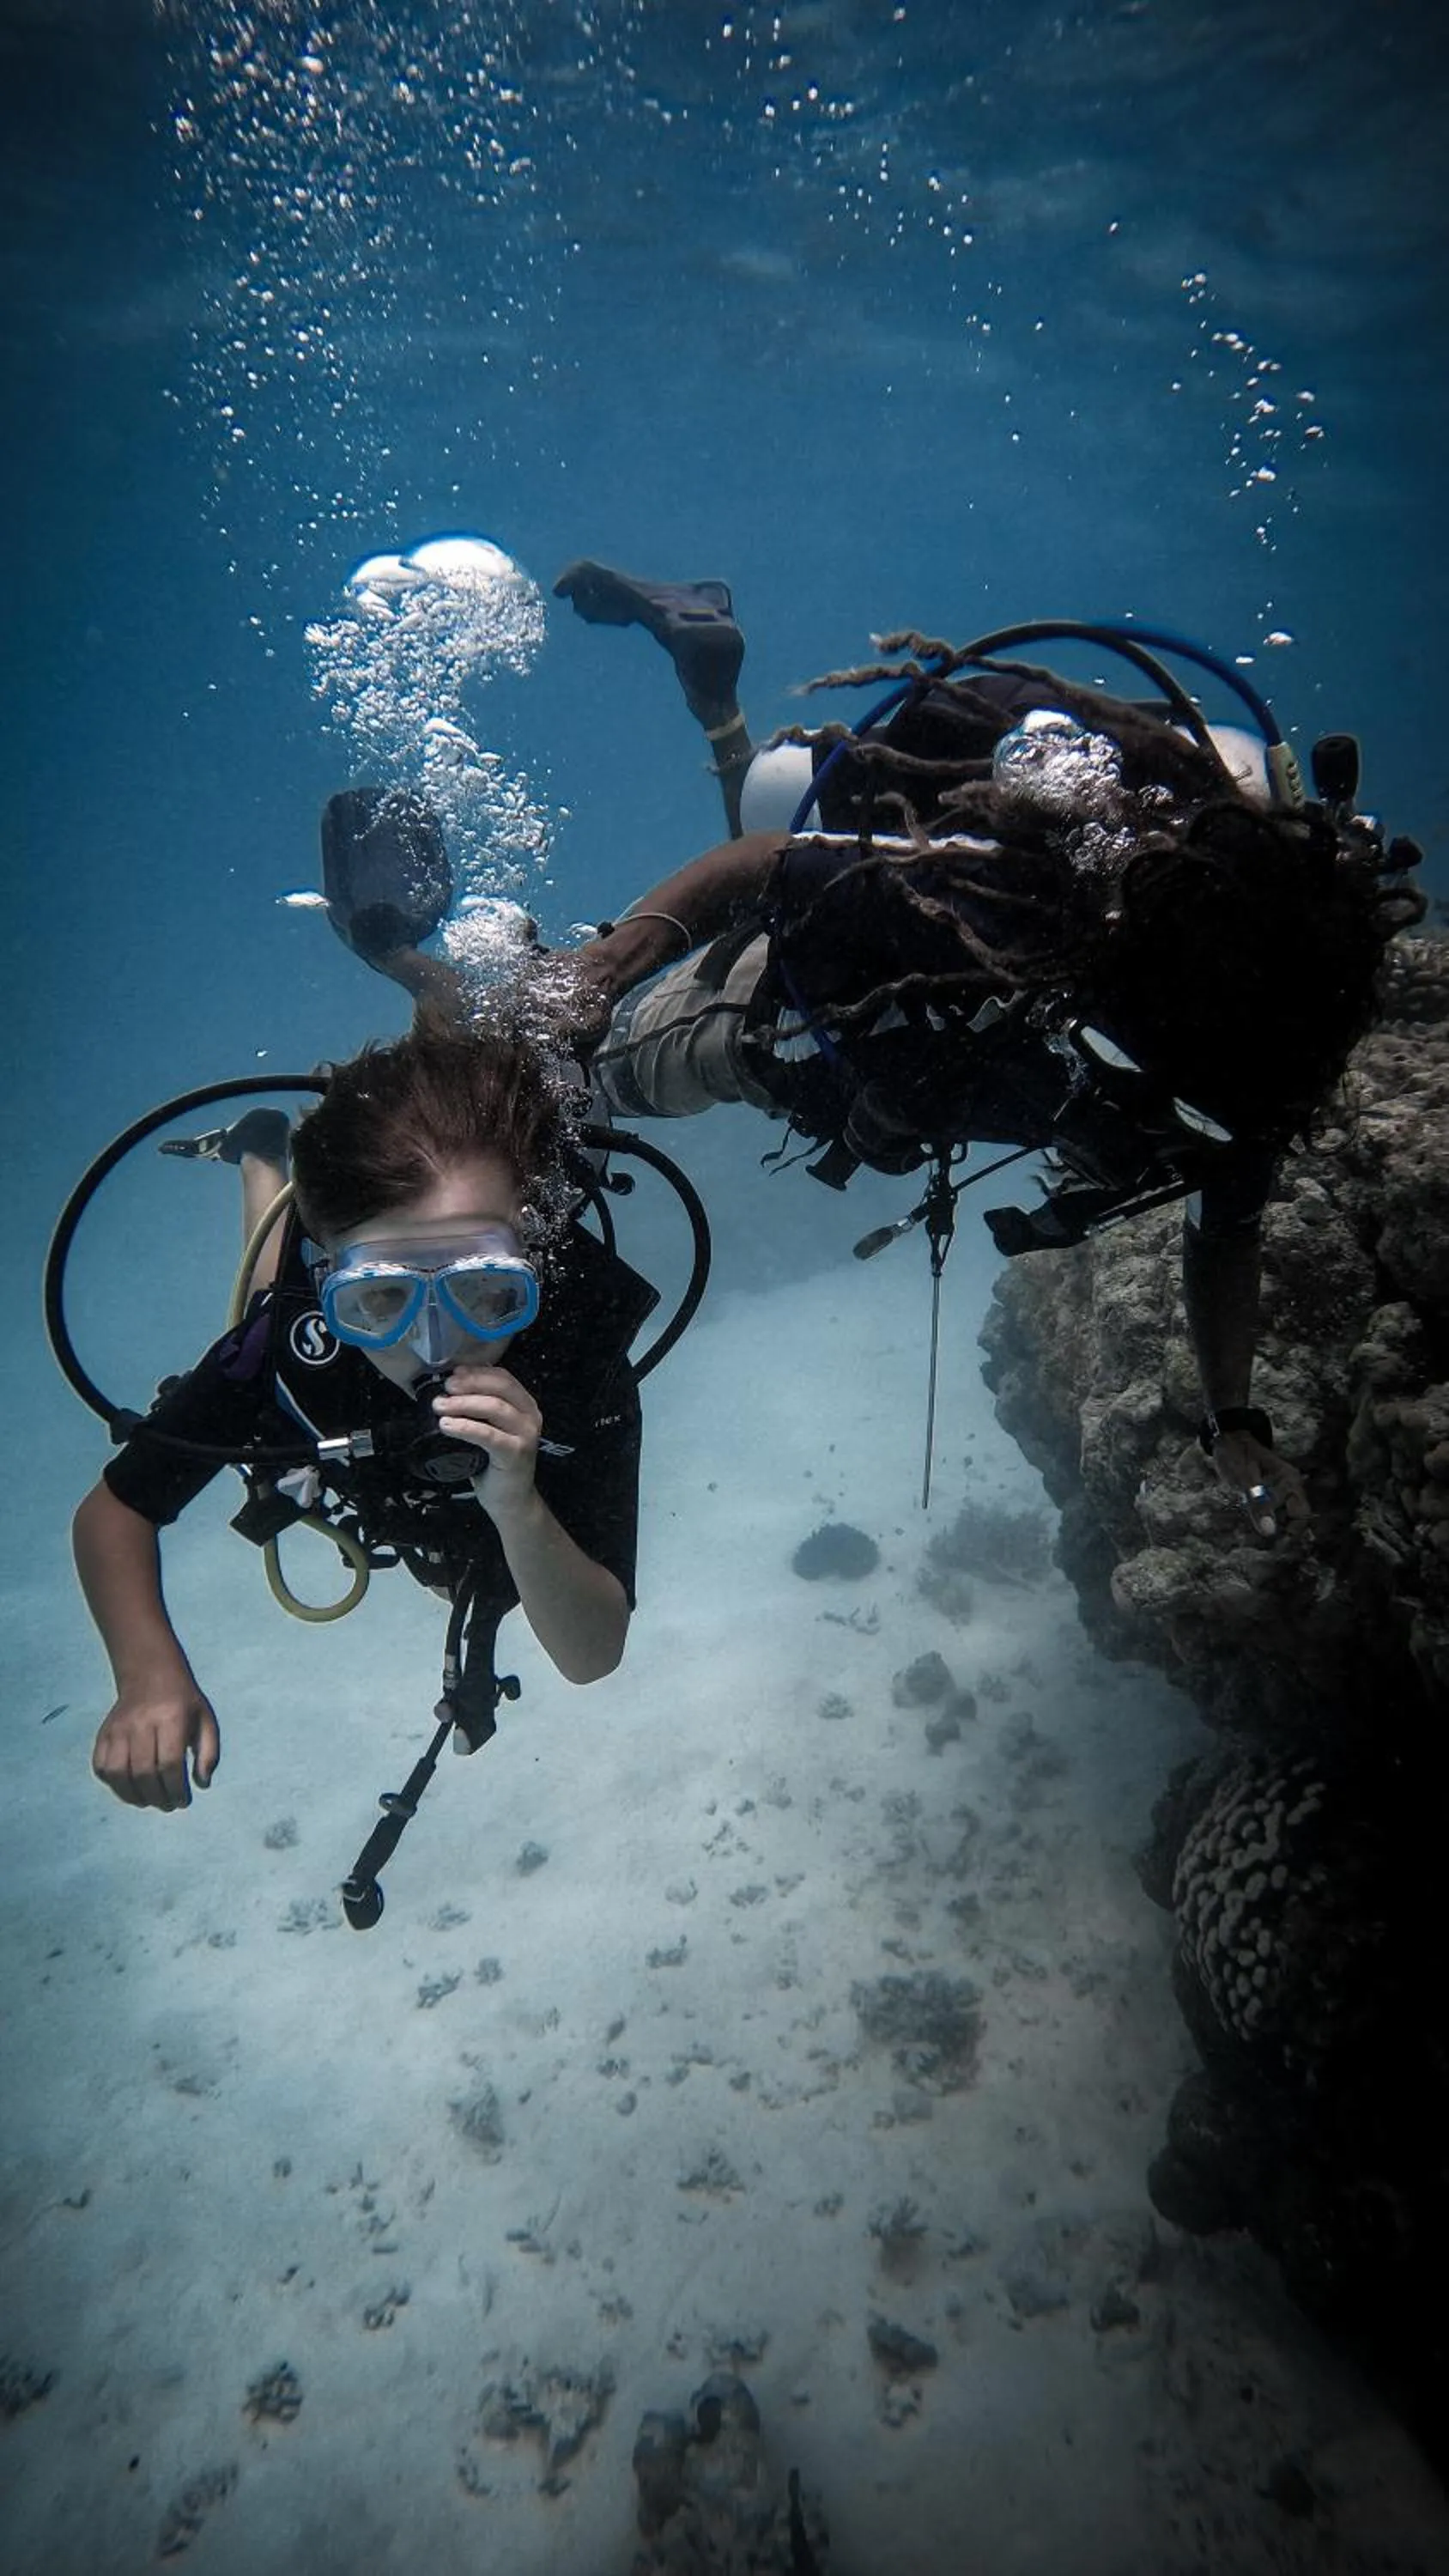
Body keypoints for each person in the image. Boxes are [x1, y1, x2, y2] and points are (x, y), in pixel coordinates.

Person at [537, 567, 1424, 1543]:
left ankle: (711, 696)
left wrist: (1230, 1420)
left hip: (913, 1033)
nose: (1190, 1124)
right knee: (619, 1070)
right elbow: (762, 866)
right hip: (808, 1017)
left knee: (778, 894)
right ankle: (535, 1048)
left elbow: (1226, 1230)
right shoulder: (1037, 910)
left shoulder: (1265, 1051)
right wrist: (605, 969)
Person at [74, 1013, 657, 1814]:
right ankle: (261, 1158)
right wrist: (146, 1674)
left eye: (487, 1291)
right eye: (380, 1299)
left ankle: (286, 1183)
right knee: (257, 1314)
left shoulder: (577, 1351)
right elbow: (115, 1512)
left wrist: (519, 1505)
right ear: (334, 1283)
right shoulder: (306, 1337)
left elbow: (593, 1656)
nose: (436, 1342)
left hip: (481, 1522)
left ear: (535, 1259)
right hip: (319, 1376)